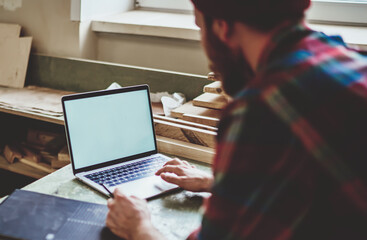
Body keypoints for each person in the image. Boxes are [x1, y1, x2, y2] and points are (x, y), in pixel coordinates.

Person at [106, 0, 367, 239]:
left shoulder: (260, 109)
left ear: (222, 27)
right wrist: (217, 184)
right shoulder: (348, 60)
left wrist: (139, 227)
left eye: (200, 27)